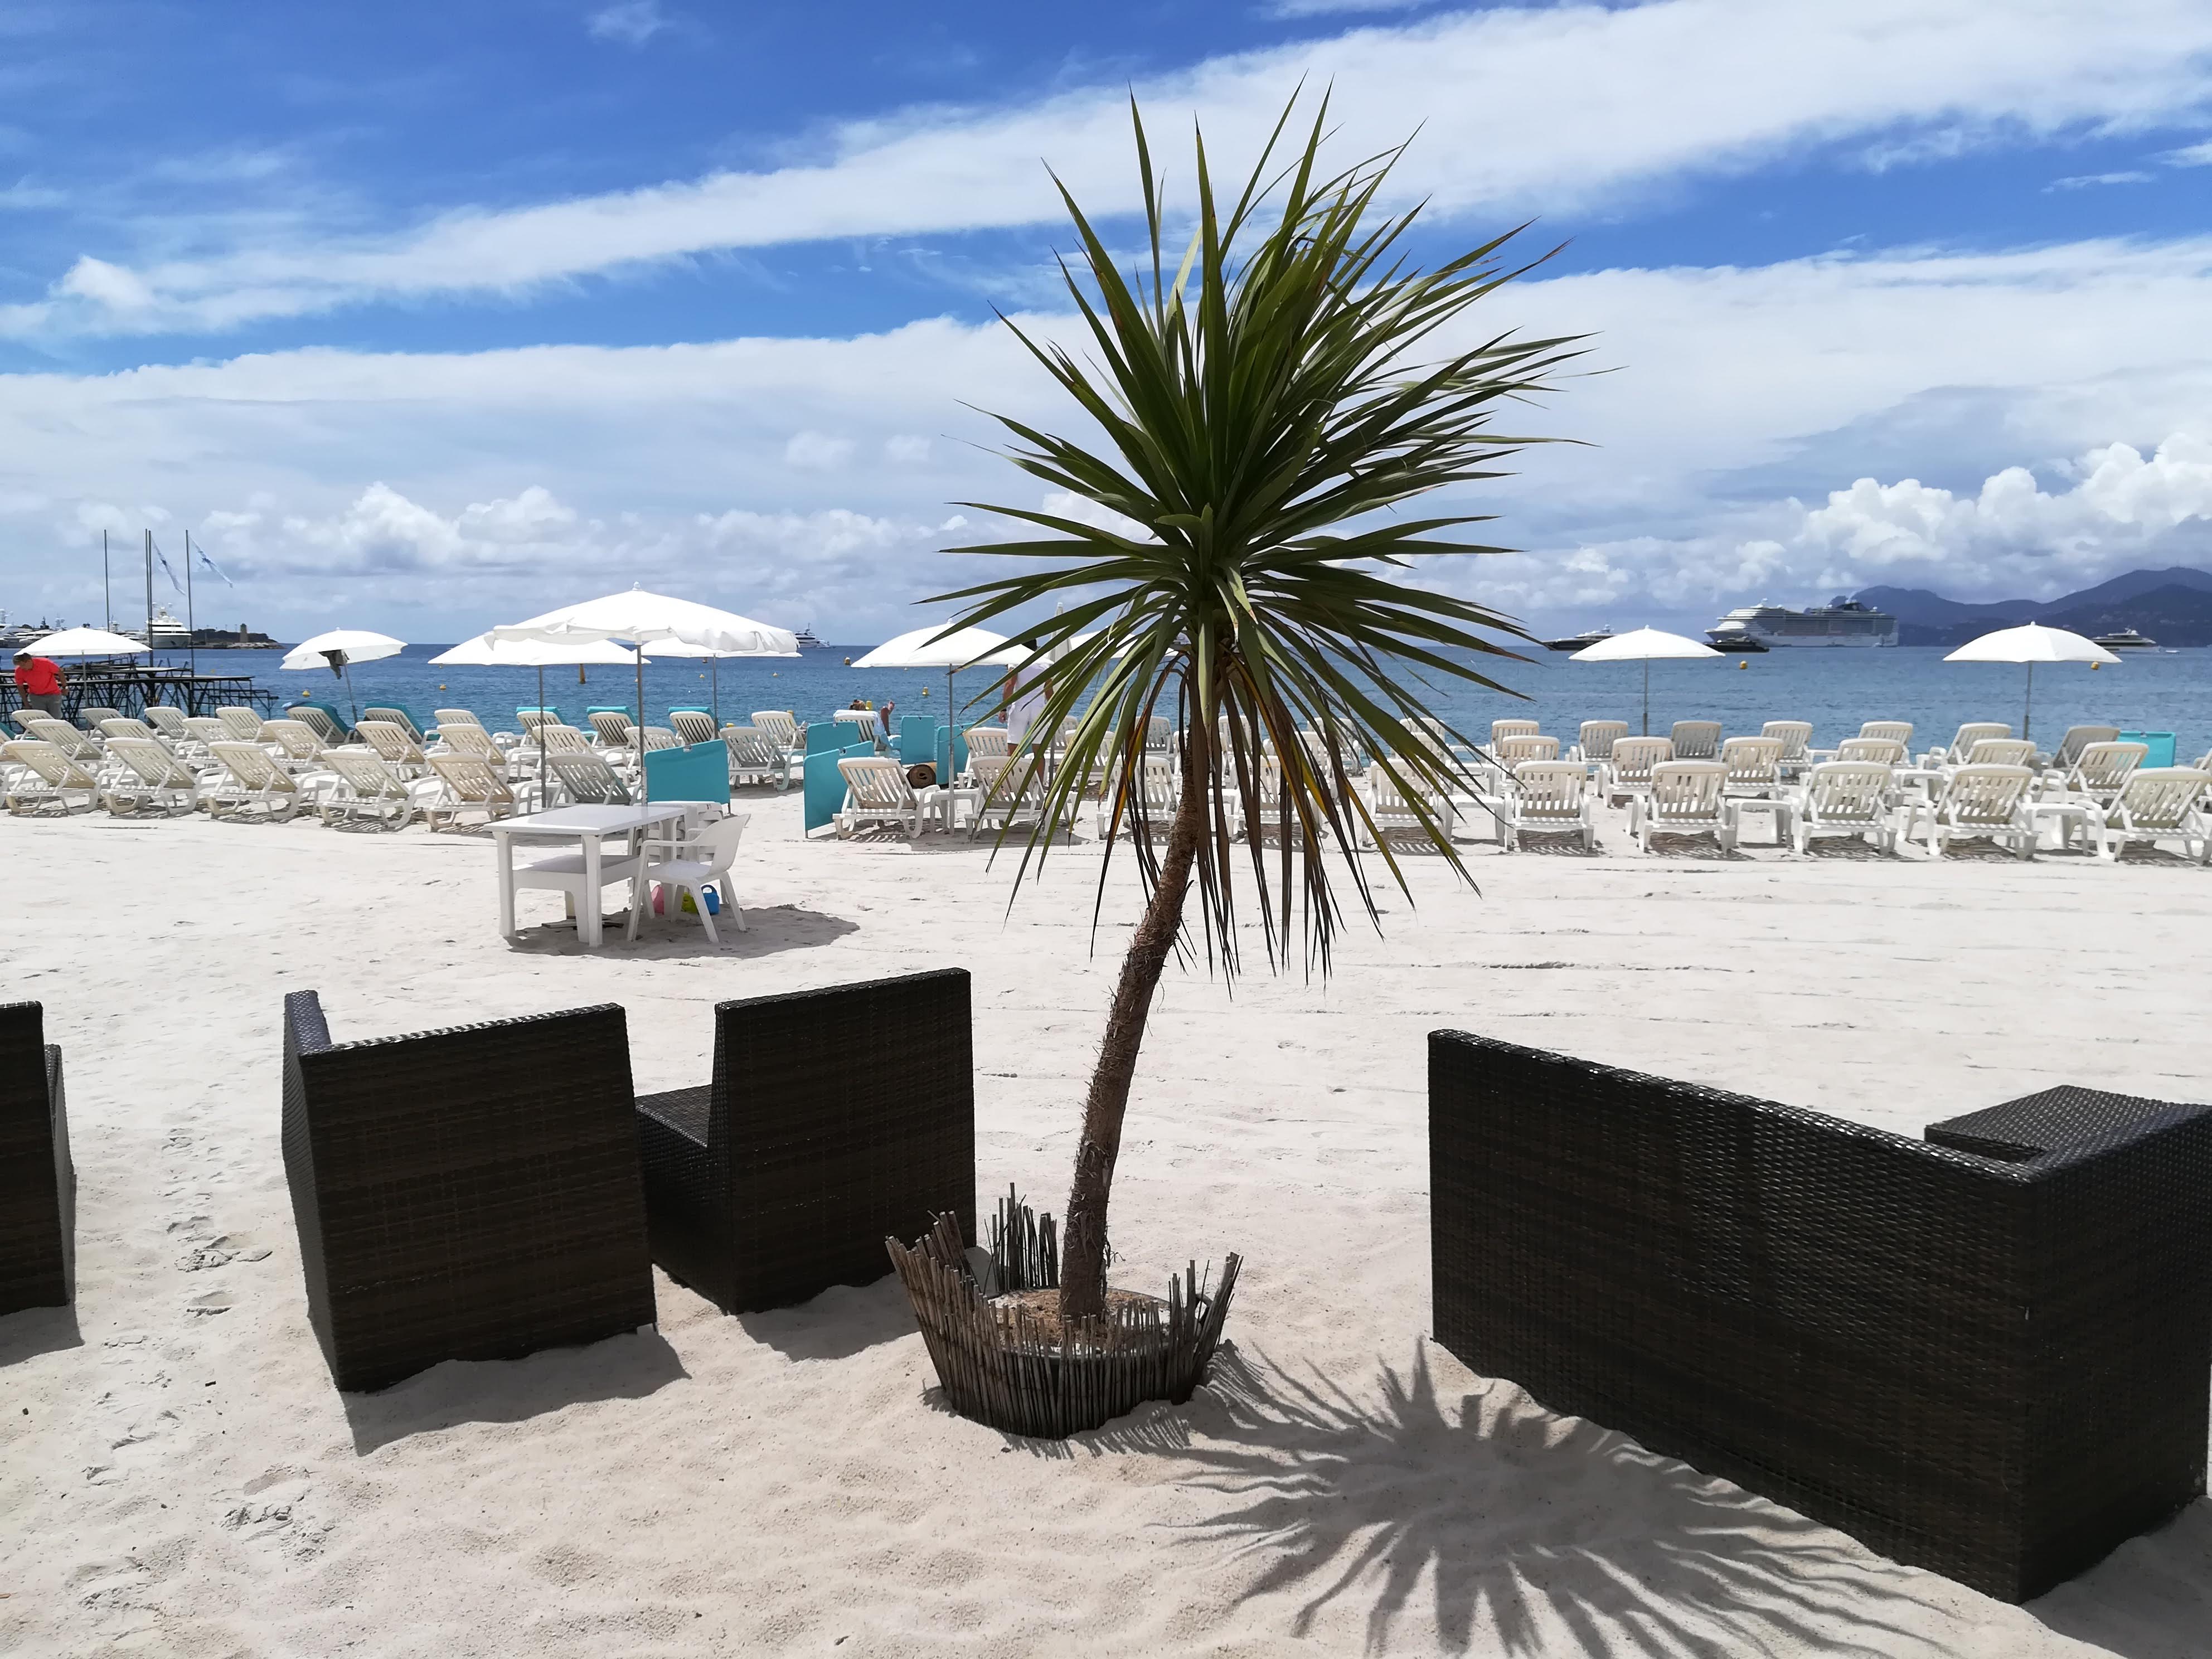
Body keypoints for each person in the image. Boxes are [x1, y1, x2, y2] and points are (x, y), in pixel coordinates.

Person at [12, 648, 65, 718]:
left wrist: (65, 687)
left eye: (23, 665)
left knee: (56, 717)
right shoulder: (19, 670)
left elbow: (60, 673)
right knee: (40, 718)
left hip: (53, 694)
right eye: (19, 666)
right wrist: (26, 703)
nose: (22, 668)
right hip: (36, 696)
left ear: (29, 661)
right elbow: (20, 686)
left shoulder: (45, 663)